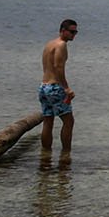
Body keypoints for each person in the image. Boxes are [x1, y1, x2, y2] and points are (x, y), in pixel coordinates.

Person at [39, 19, 78, 151]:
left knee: (48, 121)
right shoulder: (61, 45)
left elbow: (46, 66)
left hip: (44, 87)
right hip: (55, 87)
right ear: (63, 31)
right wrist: (66, 88)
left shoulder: (50, 44)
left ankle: (45, 155)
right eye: (72, 32)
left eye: (76, 32)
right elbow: (58, 67)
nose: (74, 35)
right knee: (69, 122)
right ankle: (66, 154)